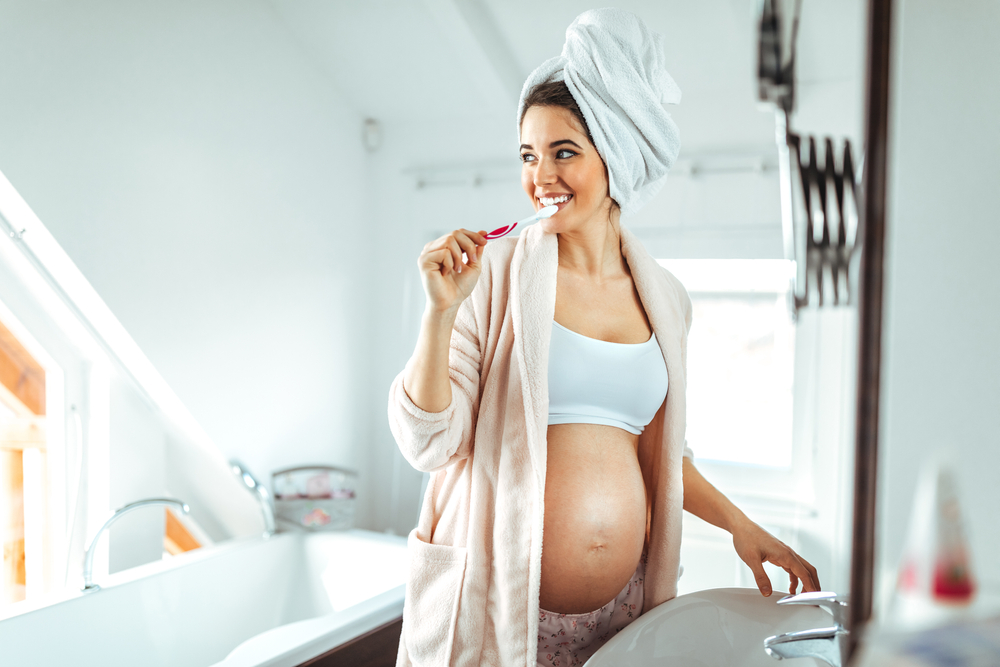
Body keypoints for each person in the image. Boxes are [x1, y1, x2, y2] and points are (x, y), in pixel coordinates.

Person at [388, 9, 820, 667]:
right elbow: (428, 441)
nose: (541, 177)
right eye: (529, 156)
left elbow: (666, 454)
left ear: (615, 152)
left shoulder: (666, 297)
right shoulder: (494, 274)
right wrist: (440, 312)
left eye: (565, 152)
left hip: (621, 617)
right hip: (504, 611)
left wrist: (744, 526)